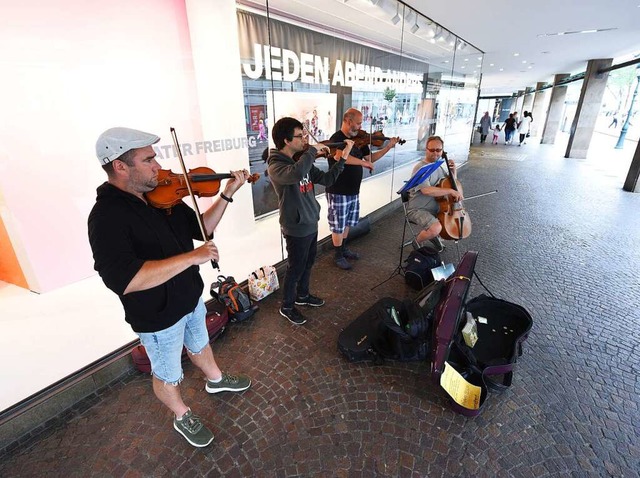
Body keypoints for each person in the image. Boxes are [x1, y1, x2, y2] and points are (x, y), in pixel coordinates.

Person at [88, 127, 252, 448]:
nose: (158, 167)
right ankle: (181, 414)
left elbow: (203, 228)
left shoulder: (164, 196)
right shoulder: (106, 216)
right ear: (120, 166)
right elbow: (126, 279)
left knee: (200, 343)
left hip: (190, 296)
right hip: (157, 315)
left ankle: (216, 381)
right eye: (148, 159)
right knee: (166, 372)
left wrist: (228, 192)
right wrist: (193, 257)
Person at [267, 117, 354, 325]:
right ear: (286, 140)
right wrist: (312, 151)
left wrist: (342, 159)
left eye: (304, 135)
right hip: (295, 226)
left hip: (310, 221)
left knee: (307, 264)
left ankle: (303, 296)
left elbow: (327, 180)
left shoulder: (300, 160)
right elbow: (295, 174)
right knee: (295, 268)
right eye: (299, 136)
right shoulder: (276, 166)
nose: (304, 139)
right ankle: (287, 306)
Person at [326, 108, 399, 270]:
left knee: (346, 224)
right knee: (338, 225)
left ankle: (343, 249)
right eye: (358, 123)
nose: (360, 127)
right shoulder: (337, 138)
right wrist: (363, 163)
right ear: (348, 121)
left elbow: (370, 158)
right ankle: (337, 255)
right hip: (338, 190)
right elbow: (340, 157)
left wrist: (388, 147)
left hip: (353, 190)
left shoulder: (360, 139)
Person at [406, 135, 463, 252]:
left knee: (446, 226)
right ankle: (417, 240)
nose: (435, 153)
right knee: (436, 228)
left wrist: (453, 173)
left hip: (437, 208)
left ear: (442, 151)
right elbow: (426, 190)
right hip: (418, 209)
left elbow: (449, 185)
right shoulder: (421, 168)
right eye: (432, 150)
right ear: (426, 150)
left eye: (438, 150)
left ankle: (432, 235)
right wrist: (450, 191)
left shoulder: (438, 167)